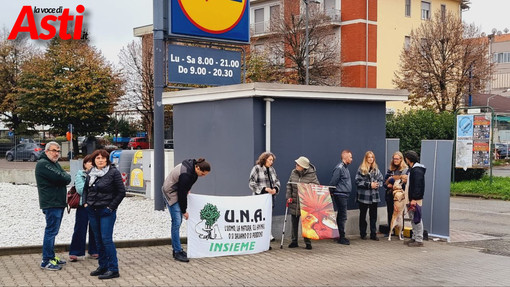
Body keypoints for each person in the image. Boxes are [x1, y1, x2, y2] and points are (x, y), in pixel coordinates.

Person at [83, 149, 126, 279]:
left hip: (106, 211)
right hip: (92, 210)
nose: (100, 160)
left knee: (106, 239)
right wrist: (85, 203)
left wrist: (111, 207)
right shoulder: (91, 172)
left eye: (103, 158)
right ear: (94, 160)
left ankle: (113, 269)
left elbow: (121, 192)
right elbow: (85, 189)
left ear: (107, 160)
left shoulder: (113, 173)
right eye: (97, 158)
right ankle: (103, 266)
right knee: (98, 240)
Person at [162, 158, 211, 262]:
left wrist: (187, 189)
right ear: (197, 167)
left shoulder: (193, 169)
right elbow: (181, 194)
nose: (203, 176)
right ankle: (177, 252)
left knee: (177, 222)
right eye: (203, 174)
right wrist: (184, 211)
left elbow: (186, 187)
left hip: (177, 190)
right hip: (170, 192)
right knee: (177, 222)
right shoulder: (186, 174)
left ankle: (177, 248)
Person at [35, 141, 72, 271]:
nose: (56, 153)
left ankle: (51, 256)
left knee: (53, 231)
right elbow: (64, 178)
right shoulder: (43, 164)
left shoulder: (54, 163)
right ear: (46, 151)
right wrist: (64, 177)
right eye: (53, 150)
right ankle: (46, 261)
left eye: (58, 151)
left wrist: (64, 177)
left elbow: (66, 177)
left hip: (58, 202)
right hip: (52, 203)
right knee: (50, 231)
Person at [285, 156, 320, 250]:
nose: (296, 165)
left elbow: (316, 186)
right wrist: (288, 197)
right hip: (294, 201)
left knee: (306, 224)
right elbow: (289, 185)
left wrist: (308, 186)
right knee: (294, 222)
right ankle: (294, 241)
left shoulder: (312, 174)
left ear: (303, 166)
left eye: (298, 164)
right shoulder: (293, 172)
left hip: (305, 203)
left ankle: (308, 242)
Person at [69, 154, 98, 262]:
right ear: (84, 164)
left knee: (95, 228)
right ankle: (76, 252)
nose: (91, 164)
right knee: (80, 228)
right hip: (83, 205)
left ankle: (94, 250)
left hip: (96, 205)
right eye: (89, 162)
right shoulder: (80, 175)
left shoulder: (100, 174)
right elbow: (81, 190)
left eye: (92, 162)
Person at [249, 151, 281, 244]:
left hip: (270, 197)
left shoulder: (272, 169)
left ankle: (268, 234)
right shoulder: (256, 168)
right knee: (259, 216)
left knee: (269, 215)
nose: (272, 162)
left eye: (272, 160)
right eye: (270, 160)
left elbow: (277, 181)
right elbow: (251, 183)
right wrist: (264, 189)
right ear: (264, 159)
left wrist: (275, 188)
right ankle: (259, 234)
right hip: (260, 197)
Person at [355, 151, 384, 241]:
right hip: (364, 196)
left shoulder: (376, 169)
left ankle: (373, 234)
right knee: (363, 215)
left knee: (373, 216)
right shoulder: (361, 169)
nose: (371, 159)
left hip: (374, 196)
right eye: (369, 157)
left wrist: (377, 184)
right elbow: (357, 181)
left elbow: (381, 180)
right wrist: (369, 184)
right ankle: (363, 233)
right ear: (366, 158)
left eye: (372, 157)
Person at [329, 150, 353, 245]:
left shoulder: (345, 168)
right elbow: (333, 181)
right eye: (350, 157)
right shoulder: (340, 168)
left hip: (344, 194)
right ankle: (341, 237)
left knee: (341, 215)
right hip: (340, 194)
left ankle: (338, 235)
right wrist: (331, 192)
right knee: (343, 216)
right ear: (345, 157)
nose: (352, 159)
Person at [403, 150, 426, 247]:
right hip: (411, 198)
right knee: (413, 218)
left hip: (414, 199)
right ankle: (415, 237)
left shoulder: (416, 171)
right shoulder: (414, 169)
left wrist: (414, 199)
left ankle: (419, 239)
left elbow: (418, 186)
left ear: (408, 159)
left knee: (417, 218)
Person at [383, 151, 408, 237]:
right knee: (390, 212)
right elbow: (384, 184)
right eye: (394, 159)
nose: (395, 160)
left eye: (397, 159)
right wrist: (388, 184)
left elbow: (405, 182)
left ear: (401, 159)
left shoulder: (405, 170)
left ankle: (401, 232)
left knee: (400, 212)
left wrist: (393, 179)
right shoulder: (390, 170)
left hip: (400, 196)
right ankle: (391, 231)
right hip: (390, 194)